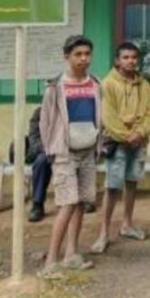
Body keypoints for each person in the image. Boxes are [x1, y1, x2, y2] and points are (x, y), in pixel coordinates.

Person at [37, 35, 102, 278]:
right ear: (67, 57)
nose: (84, 59)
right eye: (78, 54)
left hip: (88, 152)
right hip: (64, 153)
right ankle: (50, 262)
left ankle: (71, 255)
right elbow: (45, 122)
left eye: (87, 54)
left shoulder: (94, 84)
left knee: (81, 203)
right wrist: (51, 149)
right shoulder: (56, 87)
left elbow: (99, 114)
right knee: (66, 203)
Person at [91, 42, 150, 254]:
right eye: (126, 57)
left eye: (134, 57)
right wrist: (127, 135)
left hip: (138, 141)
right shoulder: (108, 84)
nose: (131, 61)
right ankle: (103, 233)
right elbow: (108, 116)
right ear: (117, 61)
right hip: (117, 142)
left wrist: (140, 132)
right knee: (113, 186)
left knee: (132, 182)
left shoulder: (144, 84)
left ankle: (127, 224)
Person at [27, 106, 52, 223]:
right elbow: (34, 140)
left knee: (79, 158)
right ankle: (37, 204)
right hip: (46, 151)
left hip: (66, 150)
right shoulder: (39, 113)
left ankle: (85, 199)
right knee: (41, 162)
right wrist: (48, 149)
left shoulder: (69, 110)